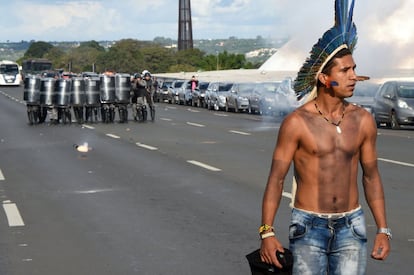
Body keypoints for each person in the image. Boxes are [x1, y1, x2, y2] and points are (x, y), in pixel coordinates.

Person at [259, 1, 390, 274]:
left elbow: (371, 177)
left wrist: (383, 229)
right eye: (345, 71)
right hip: (308, 227)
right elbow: (276, 178)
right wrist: (267, 233)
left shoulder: (362, 120)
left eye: (354, 69)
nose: (354, 77)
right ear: (323, 78)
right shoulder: (296, 123)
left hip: (351, 226)